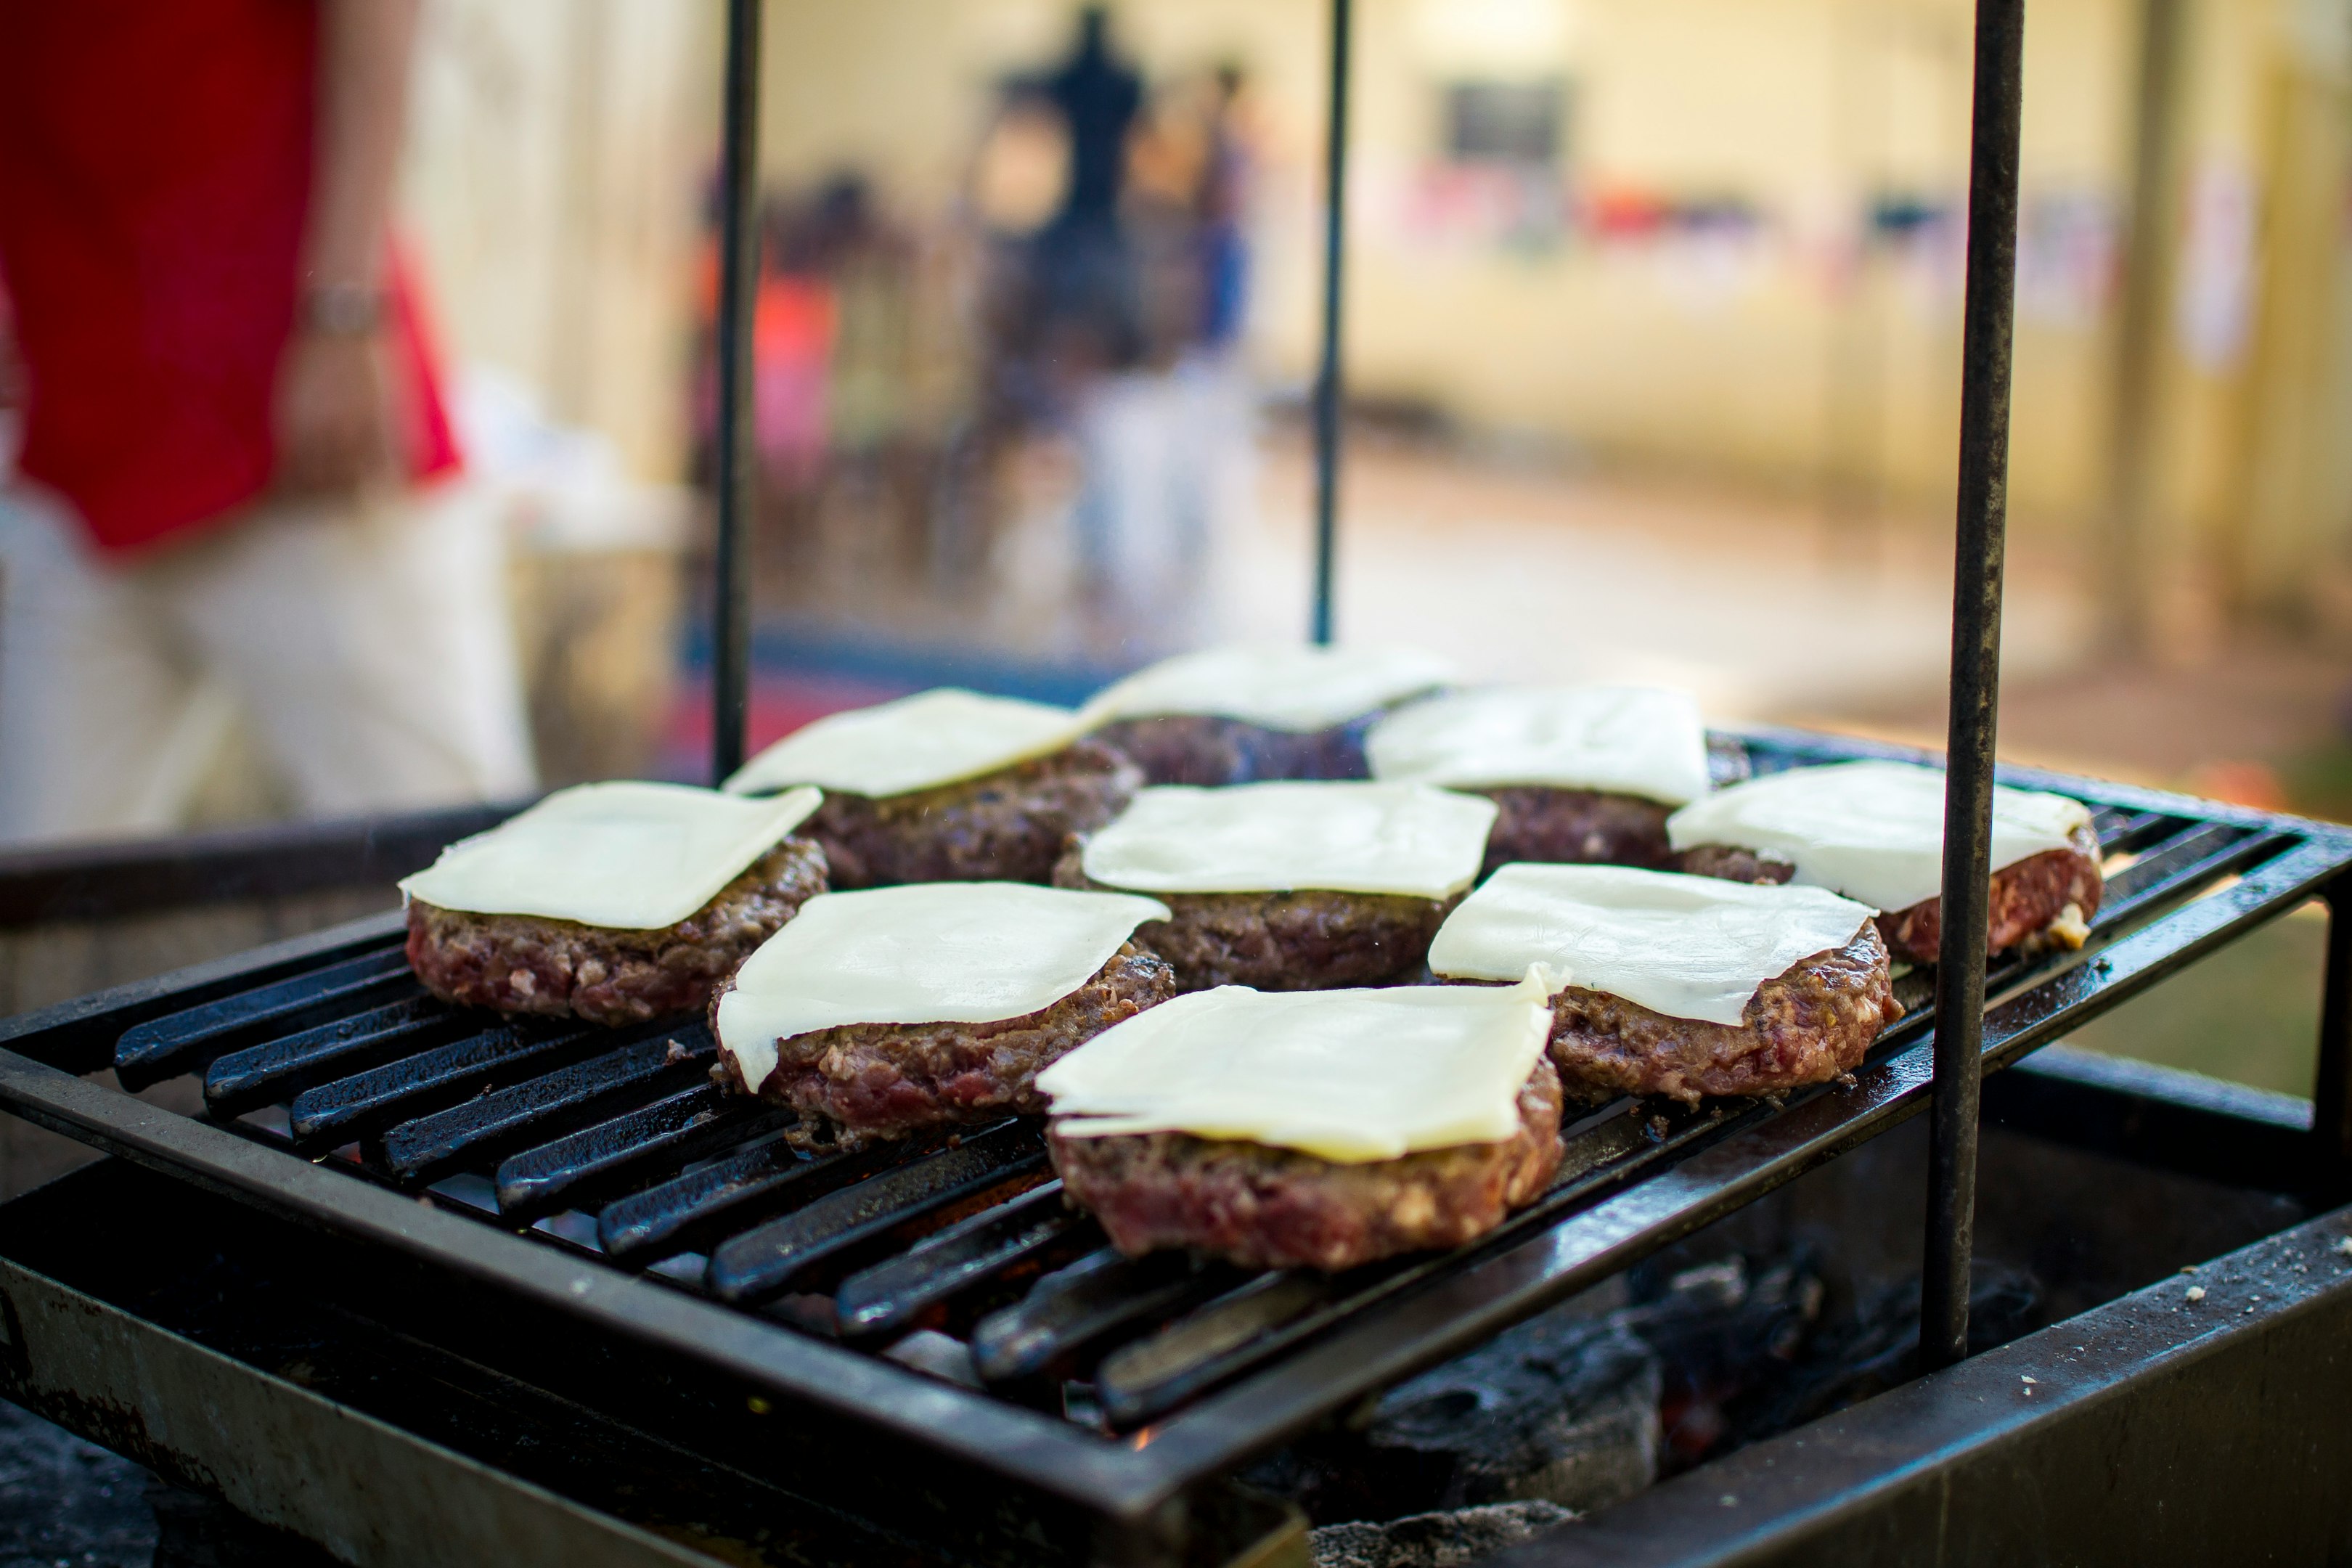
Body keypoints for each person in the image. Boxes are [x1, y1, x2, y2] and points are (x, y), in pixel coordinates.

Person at [0, 0, 536, 846]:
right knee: (33, 909)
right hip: (75, 432)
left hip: (296, 426)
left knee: (460, 880)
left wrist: (347, 310)